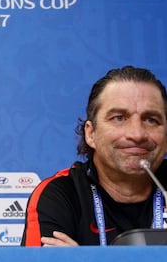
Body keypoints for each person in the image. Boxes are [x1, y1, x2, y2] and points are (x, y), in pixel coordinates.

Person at [21, 65, 167, 246]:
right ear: (91, 134)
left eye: (151, 120)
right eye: (119, 118)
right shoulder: (60, 194)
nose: (137, 134)